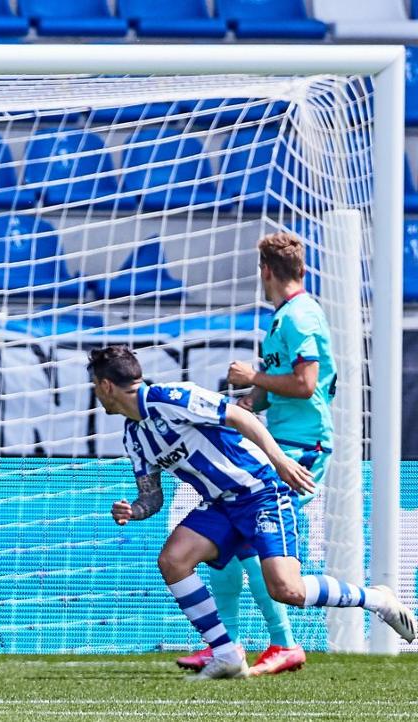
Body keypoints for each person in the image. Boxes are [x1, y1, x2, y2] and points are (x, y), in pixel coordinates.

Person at [90, 345, 415, 681]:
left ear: (106, 386)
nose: (97, 396)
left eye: (96, 388)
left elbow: (239, 416)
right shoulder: (133, 436)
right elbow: (151, 496)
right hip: (220, 505)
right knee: (173, 560)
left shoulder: (170, 397)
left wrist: (280, 461)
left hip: (259, 491)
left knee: (287, 590)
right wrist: (135, 509)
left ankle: (377, 598)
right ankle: (226, 654)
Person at [177, 231, 338, 676]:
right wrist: (239, 405)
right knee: (222, 544)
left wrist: (254, 375)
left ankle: (284, 644)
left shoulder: (300, 318)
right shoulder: (284, 317)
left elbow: (306, 385)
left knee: (250, 537)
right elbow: (276, 392)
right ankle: (224, 644)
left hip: (303, 446)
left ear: (264, 271)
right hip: (282, 439)